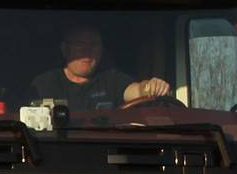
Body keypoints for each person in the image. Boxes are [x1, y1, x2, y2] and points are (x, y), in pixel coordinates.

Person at [29, 24, 170, 110]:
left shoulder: (112, 79)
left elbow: (137, 90)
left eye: (94, 45)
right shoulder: (44, 83)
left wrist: (150, 86)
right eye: (81, 46)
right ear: (65, 49)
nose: (88, 51)